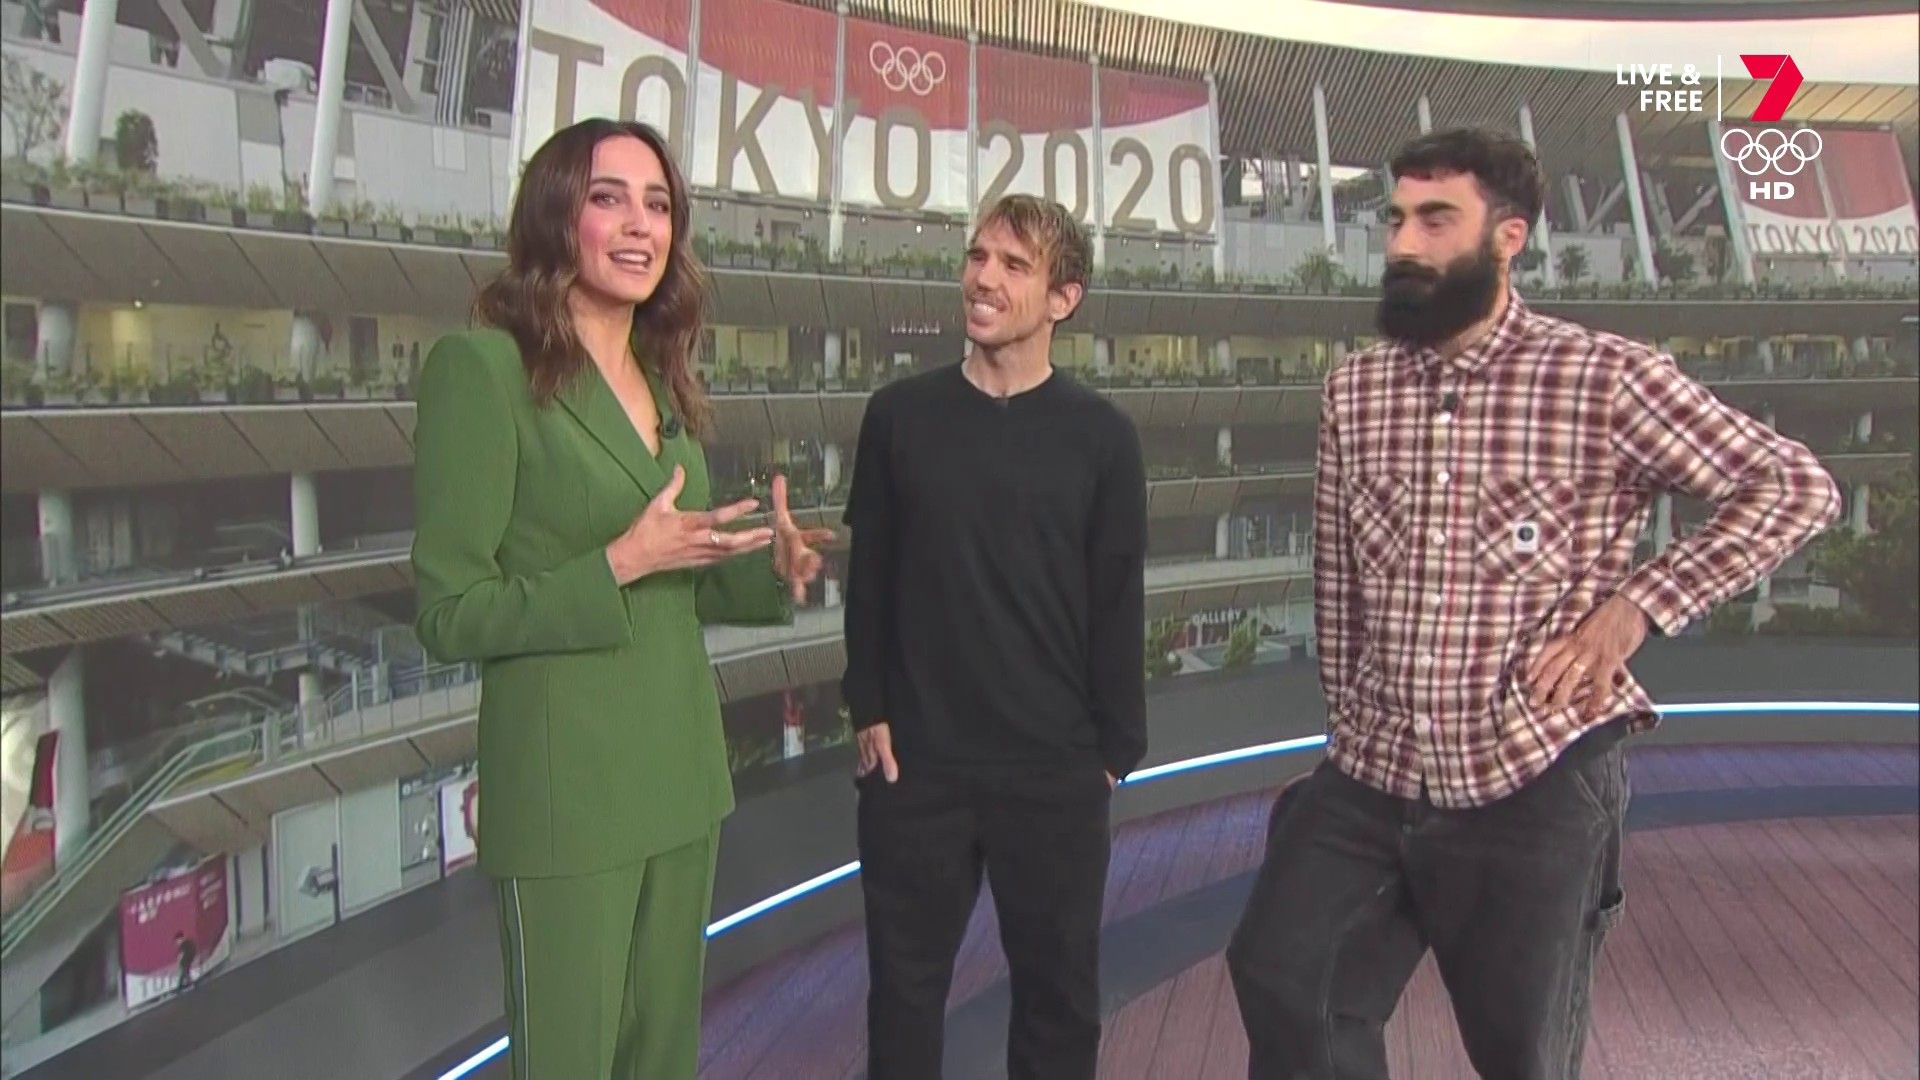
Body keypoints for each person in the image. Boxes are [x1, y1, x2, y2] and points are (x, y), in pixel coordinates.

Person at [1226, 127, 1841, 1079]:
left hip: (1534, 771)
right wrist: (1350, 724)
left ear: (1508, 237)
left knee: (1522, 1056)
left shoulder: (1605, 378)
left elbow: (1794, 488)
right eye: (1396, 218)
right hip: (1376, 769)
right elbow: (1339, 579)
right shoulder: (1356, 388)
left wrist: (1635, 608)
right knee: (1284, 977)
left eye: (1437, 220)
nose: (1404, 243)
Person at [411, 117, 832, 1080]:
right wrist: (613, 566)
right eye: (610, 198)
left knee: (662, 1060)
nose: (642, 225)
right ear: (557, 215)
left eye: (659, 204)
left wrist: (772, 565)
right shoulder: (481, 370)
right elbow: (448, 613)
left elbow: (672, 573)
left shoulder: (660, 380)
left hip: (680, 778)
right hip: (568, 798)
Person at [841, 194, 1148, 1080]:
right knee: (902, 1004)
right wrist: (869, 704)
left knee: (1058, 1006)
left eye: (1015, 265)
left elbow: (1116, 601)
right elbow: (871, 579)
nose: (983, 278)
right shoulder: (897, 416)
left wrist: (1112, 754)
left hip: (1054, 771)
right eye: (978, 257)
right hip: (917, 768)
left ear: (1064, 299)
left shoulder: (1104, 438)